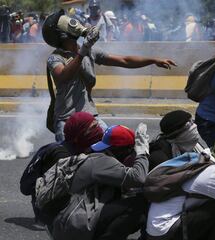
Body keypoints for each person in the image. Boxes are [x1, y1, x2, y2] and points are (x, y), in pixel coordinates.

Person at [42, 10, 176, 142]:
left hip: (90, 116)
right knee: (68, 160)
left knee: (112, 147)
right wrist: (83, 50)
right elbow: (63, 76)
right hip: (67, 120)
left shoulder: (90, 51)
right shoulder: (55, 58)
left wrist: (153, 60)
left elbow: (124, 60)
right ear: (62, 35)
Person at [51, 124, 150, 240]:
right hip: (71, 230)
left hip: (68, 228)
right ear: (122, 150)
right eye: (130, 150)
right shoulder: (103, 162)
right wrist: (142, 153)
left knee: (136, 210)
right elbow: (138, 177)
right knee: (134, 206)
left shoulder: (100, 156)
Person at [135, 110, 202, 240]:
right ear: (178, 132)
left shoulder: (194, 147)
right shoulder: (160, 156)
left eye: (192, 122)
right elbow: (157, 191)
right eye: (189, 124)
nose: (194, 126)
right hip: (159, 200)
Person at [20, 112, 104, 225]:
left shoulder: (73, 147)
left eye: (97, 125)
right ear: (78, 133)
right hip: (50, 209)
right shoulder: (62, 155)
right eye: (93, 127)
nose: (98, 130)